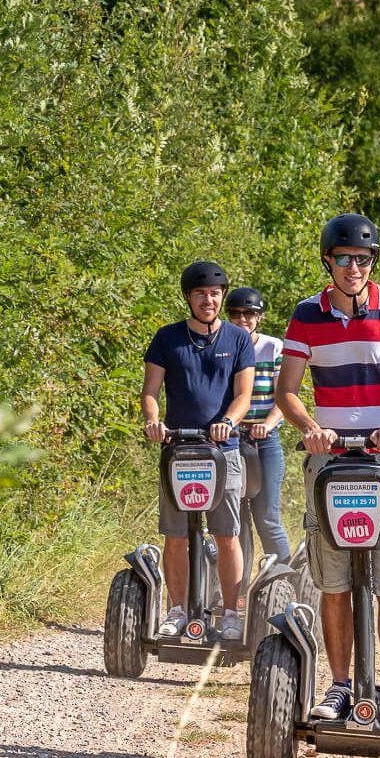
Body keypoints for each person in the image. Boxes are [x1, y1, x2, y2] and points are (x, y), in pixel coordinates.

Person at [275, 213, 380, 728]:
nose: (354, 268)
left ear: (372, 263)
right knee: (332, 576)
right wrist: (309, 426)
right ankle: (339, 686)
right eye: (344, 259)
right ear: (328, 262)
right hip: (329, 456)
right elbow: (288, 391)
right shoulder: (305, 316)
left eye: (363, 260)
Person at [142, 261, 256, 641]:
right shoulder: (167, 338)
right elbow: (150, 393)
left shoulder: (238, 340)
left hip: (224, 449)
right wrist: (153, 422)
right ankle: (176, 610)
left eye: (214, 294)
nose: (208, 300)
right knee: (175, 535)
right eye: (200, 294)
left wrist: (228, 420)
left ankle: (230, 613)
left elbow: (243, 395)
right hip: (179, 448)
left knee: (227, 534)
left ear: (222, 297)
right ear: (188, 298)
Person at [225, 286, 289, 563]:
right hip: (230, 439)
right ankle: (238, 590)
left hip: (264, 440)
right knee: (234, 520)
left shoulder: (273, 347)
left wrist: (267, 424)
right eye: (236, 314)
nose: (243, 319)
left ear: (259, 317)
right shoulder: (221, 347)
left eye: (249, 314)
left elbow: (285, 397)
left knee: (266, 518)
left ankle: (285, 581)